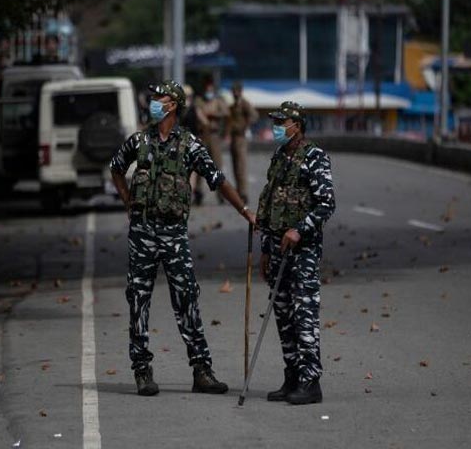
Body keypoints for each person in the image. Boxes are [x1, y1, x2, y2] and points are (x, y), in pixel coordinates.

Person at [110, 80, 256, 396]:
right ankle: (142, 371)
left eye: (159, 98)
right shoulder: (138, 140)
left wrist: (245, 211)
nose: (153, 103)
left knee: (187, 299)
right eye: (152, 99)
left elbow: (217, 179)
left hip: (174, 235)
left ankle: (202, 371)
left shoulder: (189, 145)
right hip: (143, 233)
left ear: (173, 104)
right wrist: (128, 204)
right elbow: (116, 169)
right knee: (138, 300)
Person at [256, 101, 335, 405]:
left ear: (297, 125)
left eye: (282, 122)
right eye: (275, 121)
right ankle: (291, 377)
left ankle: (310, 381)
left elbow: (326, 203)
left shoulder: (315, 157)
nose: (276, 126)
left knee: (304, 315)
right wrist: (266, 249)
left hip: (302, 251)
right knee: (283, 314)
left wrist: (299, 229)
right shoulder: (278, 157)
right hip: (277, 249)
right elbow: (270, 204)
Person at [193, 77, 228, 204]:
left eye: (210, 87)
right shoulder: (199, 100)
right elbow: (198, 113)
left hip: (214, 136)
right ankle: (198, 193)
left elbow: (225, 113)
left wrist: (215, 114)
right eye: (207, 87)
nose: (208, 90)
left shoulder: (218, 100)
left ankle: (221, 194)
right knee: (200, 164)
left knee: (217, 165)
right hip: (203, 135)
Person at [226, 81, 258, 203]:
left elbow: (254, 115)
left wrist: (245, 125)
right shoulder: (233, 105)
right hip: (234, 137)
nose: (234, 93)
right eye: (233, 91)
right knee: (234, 165)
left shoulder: (244, 104)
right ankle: (239, 191)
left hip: (241, 137)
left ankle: (243, 192)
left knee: (241, 166)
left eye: (236, 91)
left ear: (240, 91)